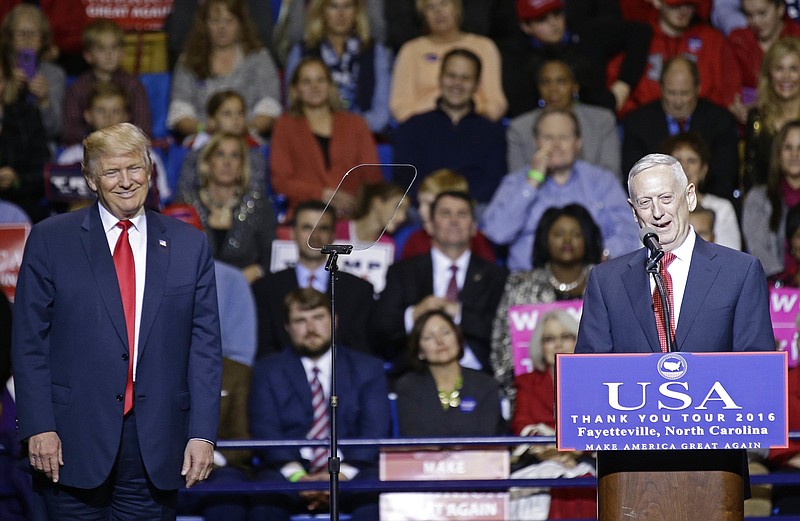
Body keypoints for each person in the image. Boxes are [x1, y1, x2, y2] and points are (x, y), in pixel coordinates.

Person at [11, 122, 222, 519]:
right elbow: (29, 343)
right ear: (91, 179)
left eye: (134, 168)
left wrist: (202, 433)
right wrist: (38, 425)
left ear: (149, 170)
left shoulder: (189, 244)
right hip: (69, 440)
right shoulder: (50, 239)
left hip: (157, 443)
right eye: (111, 172)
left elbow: (204, 346)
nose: (126, 182)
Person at [576, 151, 774, 353]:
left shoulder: (740, 272)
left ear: (689, 197)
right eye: (645, 202)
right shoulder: (606, 281)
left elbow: (756, 369)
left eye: (666, 198)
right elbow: (590, 372)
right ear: (634, 211)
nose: (657, 212)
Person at [248, 287, 390, 521]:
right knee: (265, 498)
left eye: (318, 318)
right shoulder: (267, 370)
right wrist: (297, 478)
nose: (311, 328)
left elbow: (374, 431)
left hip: (351, 472)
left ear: (334, 321)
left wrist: (340, 475)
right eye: (300, 320)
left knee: (375, 497)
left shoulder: (367, 368)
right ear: (287, 327)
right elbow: (265, 430)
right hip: (289, 472)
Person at [482, 107, 639, 272]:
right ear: (536, 142)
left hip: (591, 278)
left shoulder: (602, 181)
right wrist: (532, 183)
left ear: (578, 142)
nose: (556, 145)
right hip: (530, 284)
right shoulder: (516, 183)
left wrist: (602, 253)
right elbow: (496, 233)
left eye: (564, 137)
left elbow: (630, 233)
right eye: (548, 137)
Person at [373, 191, 508, 373]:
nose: (454, 220)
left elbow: (504, 333)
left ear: (474, 226)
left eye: (462, 214)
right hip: (416, 375)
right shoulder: (403, 272)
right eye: (445, 214)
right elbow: (380, 330)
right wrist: (414, 314)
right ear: (429, 225)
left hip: (478, 375)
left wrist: (459, 314)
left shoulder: (496, 276)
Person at [491, 204, 603, 400]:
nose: (567, 240)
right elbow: (501, 350)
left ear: (587, 239)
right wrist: (521, 397)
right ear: (545, 239)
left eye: (575, 234)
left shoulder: (606, 282)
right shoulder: (520, 285)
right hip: (531, 396)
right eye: (558, 234)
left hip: (598, 392)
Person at [252, 200, 376, 359]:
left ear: (333, 235)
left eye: (322, 228)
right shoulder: (265, 289)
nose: (314, 236)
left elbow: (360, 352)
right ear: (292, 233)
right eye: (306, 227)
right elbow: (265, 350)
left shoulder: (359, 290)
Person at [392, 47, 507, 206]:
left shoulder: (493, 132)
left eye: (466, 78)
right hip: (423, 209)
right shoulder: (412, 127)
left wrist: (459, 207)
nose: (457, 84)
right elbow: (405, 177)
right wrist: (435, 206)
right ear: (440, 78)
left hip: (473, 210)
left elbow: (493, 181)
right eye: (451, 76)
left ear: (476, 84)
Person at [511, 309, 596, 520]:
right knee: (552, 475)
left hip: (584, 460)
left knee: (579, 479)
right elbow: (521, 424)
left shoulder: (594, 381)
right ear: (540, 347)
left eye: (566, 337)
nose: (558, 344)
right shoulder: (527, 383)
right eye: (549, 339)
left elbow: (599, 425)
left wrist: (573, 451)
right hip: (539, 460)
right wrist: (552, 453)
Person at [270, 57, 381, 218]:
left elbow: (372, 175)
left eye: (320, 80)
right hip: (305, 216)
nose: (314, 86)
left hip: (353, 215)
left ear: (330, 86)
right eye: (306, 82)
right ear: (295, 90)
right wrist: (320, 195)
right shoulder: (285, 126)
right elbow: (281, 181)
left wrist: (356, 204)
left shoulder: (356, 124)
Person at [622, 57, 740, 204]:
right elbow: (634, 178)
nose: (678, 101)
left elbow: (724, 179)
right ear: (661, 88)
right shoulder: (637, 123)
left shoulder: (720, 121)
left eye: (684, 94)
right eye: (671, 93)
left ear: (698, 88)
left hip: (707, 204)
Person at [503, 0, 651, 117]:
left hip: (597, 119)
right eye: (542, 19)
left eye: (556, 13)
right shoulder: (517, 55)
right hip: (544, 125)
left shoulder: (588, 32)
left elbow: (641, 32)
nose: (553, 23)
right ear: (525, 26)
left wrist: (624, 84)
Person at [167, 0, 282, 138]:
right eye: (215, 21)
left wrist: (245, 127)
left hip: (249, 138)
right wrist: (204, 128)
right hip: (202, 140)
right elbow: (180, 111)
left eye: (229, 20)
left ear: (241, 23)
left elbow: (270, 107)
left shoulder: (259, 57)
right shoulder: (188, 60)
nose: (222, 27)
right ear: (204, 24)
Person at [178, 132, 276, 284]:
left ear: (241, 165)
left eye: (234, 156)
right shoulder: (186, 203)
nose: (227, 162)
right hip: (196, 288)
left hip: (248, 289)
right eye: (220, 155)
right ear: (208, 162)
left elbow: (271, 257)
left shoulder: (258, 203)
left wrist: (254, 272)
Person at [389, 0, 507, 123]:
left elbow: (496, 102)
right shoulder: (410, 50)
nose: (438, 11)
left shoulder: (484, 46)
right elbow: (399, 106)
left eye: (444, 4)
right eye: (430, 7)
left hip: (474, 124)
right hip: (423, 128)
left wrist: (472, 118)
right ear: (423, 16)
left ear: (457, 8)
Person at [283, 0, 392, 133]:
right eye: (333, 6)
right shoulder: (301, 51)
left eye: (347, 6)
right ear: (322, 11)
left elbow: (381, 115)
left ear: (357, 11)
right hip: (313, 137)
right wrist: (324, 126)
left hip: (362, 136)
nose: (341, 14)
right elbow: (293, 105)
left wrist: (345, 127)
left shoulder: (375, 51)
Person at [614, 0, 737, 116]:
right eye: (676, 5)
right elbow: (617, 92)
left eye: (689, 4)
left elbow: (725, 95)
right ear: (657, 2)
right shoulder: (637, 37)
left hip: (701, 124)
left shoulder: (712, 40)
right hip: (644, 124)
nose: (683, 11)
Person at [57, 82, 170, 207]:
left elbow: (161, 201)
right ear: (88, 115)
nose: (108, 117)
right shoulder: (69, 157)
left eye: (116, 111)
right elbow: (59, 206)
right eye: (101, 110)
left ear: (126, 116)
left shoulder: (147, 156)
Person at [394, 309, 504, 437]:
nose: (440, 341)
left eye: (445, 333)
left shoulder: (485, 385)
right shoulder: (409, 386)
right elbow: (414, 437)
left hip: (477, 456)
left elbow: (488, 436)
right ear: (420, 351)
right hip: (427, 457)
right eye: (429, 337)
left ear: (458, 338)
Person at [507, 58, 621, 178]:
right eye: (546, 82)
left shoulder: (601, 120)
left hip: (594, 195)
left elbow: (611, 175)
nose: (553, 89)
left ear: (575, 86)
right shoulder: (519, 128)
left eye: (561, 81)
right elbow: (517, 182)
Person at [62, 19, 151, 146]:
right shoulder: (77, 89)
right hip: (87, 148)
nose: (108, 54)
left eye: (114, 47)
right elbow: (70, 131)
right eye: (101, 49)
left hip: (126, 147)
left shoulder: (134, 86)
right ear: (88, 55)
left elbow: (143, 129)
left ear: (122, 52)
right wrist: (98, 141)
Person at [176, 89, 269, 202]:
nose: (236, 119)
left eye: (240, 113)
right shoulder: (195, 156)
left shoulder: (255, 155)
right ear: (212, 121)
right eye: (227, 114)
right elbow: (184, 196)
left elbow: (257, 198)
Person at [661, 132, 741, 250]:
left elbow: (731, 258)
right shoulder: (655, 209)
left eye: (692, 160)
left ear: (703, 170)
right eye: (677, 160)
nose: (684, 167)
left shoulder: (722, 209)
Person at [400, 168, 496, 262]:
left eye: (429, 204)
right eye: (420, 204)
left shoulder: (477, 241)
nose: (420, 210)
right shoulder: (415, 240)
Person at [727, 0, 800, 124]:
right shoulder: (738, 41)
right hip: (752, 123)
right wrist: (737, 109)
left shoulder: (797, 35)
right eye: (749, 15)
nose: (756, 21)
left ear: (780, 9)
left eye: (762, 13)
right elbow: (730, 92)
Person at [0, 4, 65, 141]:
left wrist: (43, 100)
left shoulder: (54, 74)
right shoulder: (2, 70)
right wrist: (6, 91)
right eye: (21, 33)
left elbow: (54, 129)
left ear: (43, 39)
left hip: (38, 144)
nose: (27, 39)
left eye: (33, 34)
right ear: (10, 37)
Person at [744, 120, 800, 277]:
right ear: (778, 153)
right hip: (773, 288)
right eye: (788, 148)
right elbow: (758, 249)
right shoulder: (758, 198)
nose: (795, 154)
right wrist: (784, 283)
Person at [744, 37, 800, 190]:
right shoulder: (756, 118)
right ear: (769, 74)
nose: (786, 77)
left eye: (794, 69)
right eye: (779, 68)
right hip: (765, 206)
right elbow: (751, 176)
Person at [0, 54, 49, 223]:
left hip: (24, 206)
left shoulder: (27, 115)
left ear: (6, 82)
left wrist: (16, 180)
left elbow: (44, 173)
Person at [335, 181, 409, 247]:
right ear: (377, 203)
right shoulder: (338, 230)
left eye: (405, 211)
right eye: (398, 207)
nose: (402, 217)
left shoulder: (387, 244)